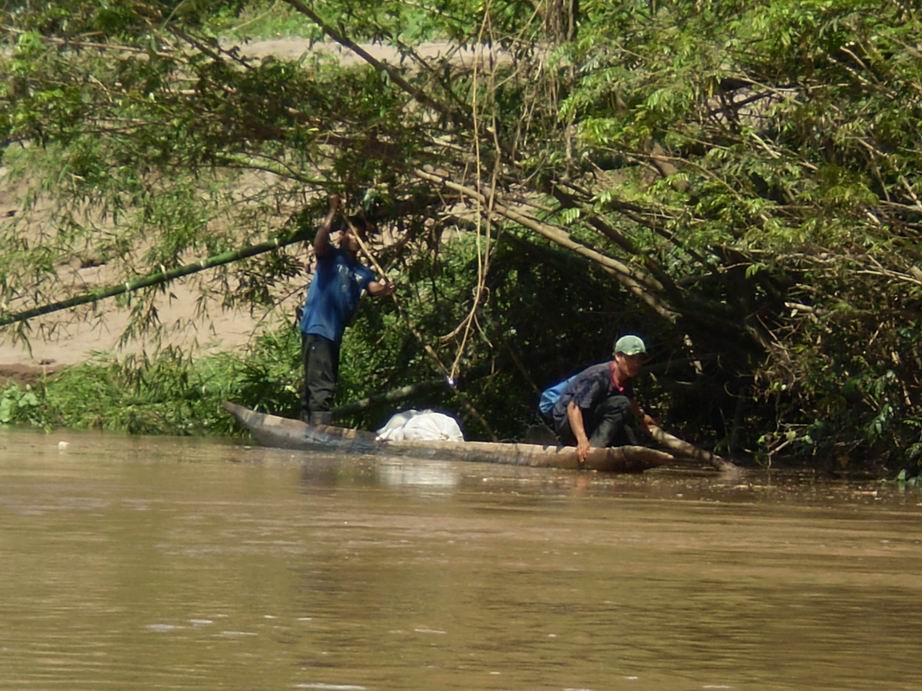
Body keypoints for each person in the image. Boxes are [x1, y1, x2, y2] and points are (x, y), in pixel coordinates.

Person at [299, 194, 395, 425]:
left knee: (320, 377)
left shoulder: (363, 271)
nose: (356, 239)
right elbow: (319, 242)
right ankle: (319, 428)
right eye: (352, 234)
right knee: (321, 381)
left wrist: (387, 289)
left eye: (360, 236)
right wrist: (331, 212)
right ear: (343, 236)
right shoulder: (331, 256)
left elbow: (374, 289)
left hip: (334, 333)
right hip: (318, 327)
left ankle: (307, 424)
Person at [550, 334, 655, 464]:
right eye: (631, 358)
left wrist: (642, 418)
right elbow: (573, 408)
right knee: (621, 404)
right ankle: (593, 453)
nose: (636, 363)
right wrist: (582, 440)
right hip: (569, 421)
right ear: (618, 356)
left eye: (640, 359)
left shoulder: (626, 377)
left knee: (626, 421)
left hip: (589, 417)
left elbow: (631, 402)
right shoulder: (598, 377)